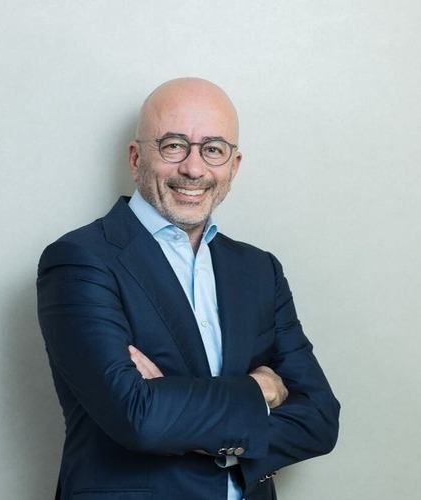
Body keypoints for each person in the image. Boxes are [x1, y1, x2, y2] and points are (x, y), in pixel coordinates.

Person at [37, 77, 340, 500]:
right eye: (174, 145)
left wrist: (180, 415)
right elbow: (138, 418)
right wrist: (262, 391)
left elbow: (320, 419)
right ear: (136, 157)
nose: (194, 169)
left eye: (213, 149)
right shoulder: (80, 260)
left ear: (234, 165)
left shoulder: (259, 269)